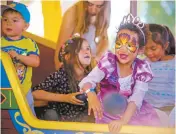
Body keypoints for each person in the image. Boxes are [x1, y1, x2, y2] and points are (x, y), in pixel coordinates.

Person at [79, 14, 161, 133]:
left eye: (129, 45)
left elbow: (136, 98)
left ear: (140, 50)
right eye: (119, 43)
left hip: (132, 115)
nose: (122, 50)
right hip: (107, 114)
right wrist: (90, 94)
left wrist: (123, 121)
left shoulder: (141, 69)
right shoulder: (109, 62)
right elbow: (88, 81)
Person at [32, 36, 94, 122]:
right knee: (50, 114)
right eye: (80, 49)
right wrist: (65, 98)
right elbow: (35, 93)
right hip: (60, 120)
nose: (86, 52)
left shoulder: (93, 77)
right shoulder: (61, 75)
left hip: (81, 123)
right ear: (67, 57)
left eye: (88, 48)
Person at [1, 2, 40, 115]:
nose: (8, 23)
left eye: (14, 20)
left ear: (25, 26)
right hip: (3, 88)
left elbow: (35, 62)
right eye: (5, 19)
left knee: (28, 114)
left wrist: (18, 56)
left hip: (23, 89)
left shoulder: (29, 43)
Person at [54, 1, 111, 70]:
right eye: (90, 4)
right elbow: (59, 59)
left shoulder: (102, 14)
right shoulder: (72, 14)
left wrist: (97, 58)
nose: (93, 10)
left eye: (98, 6)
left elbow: (105, 40)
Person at [144, 24, 175, 126]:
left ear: (165, 46)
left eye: (153, 48)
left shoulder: (174, 62)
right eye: (145, 48)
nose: (149, 53)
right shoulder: (144, 64)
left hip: (171, 111)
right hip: (151, 112)